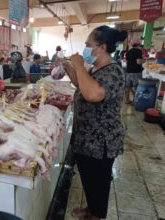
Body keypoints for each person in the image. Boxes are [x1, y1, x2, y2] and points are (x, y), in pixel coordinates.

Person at [59, 25, 127, 220]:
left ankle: (96, 215)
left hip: (101, 141)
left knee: (98, 182)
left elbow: (93, 94)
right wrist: (68, 66)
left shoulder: (112, 71)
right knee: (89, 180)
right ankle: (91, 209)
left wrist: (80, 65)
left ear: (102, 47)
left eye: (88, 44)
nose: (85, 48)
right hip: (88, 138)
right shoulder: (98, 69)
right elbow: (81, 84)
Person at [125, 39, 145, 104]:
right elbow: (139, 62)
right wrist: (144, 60)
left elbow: (126, 61)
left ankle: (127, 100)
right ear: (138, 44)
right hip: (136, 72)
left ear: (132, 44)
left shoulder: (128, 52)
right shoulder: (139, 51)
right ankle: (135, 101)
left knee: (128, 86)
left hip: (128, 71)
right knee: (136, 87)